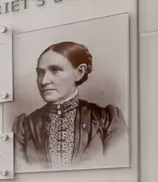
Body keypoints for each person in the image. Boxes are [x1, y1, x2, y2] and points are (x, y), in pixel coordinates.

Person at [12, 40, 126, 169]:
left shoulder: (106, 120)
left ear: (79, 72)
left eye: (55, 70)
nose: (44, 81)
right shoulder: (25, 126)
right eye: (40, 73)